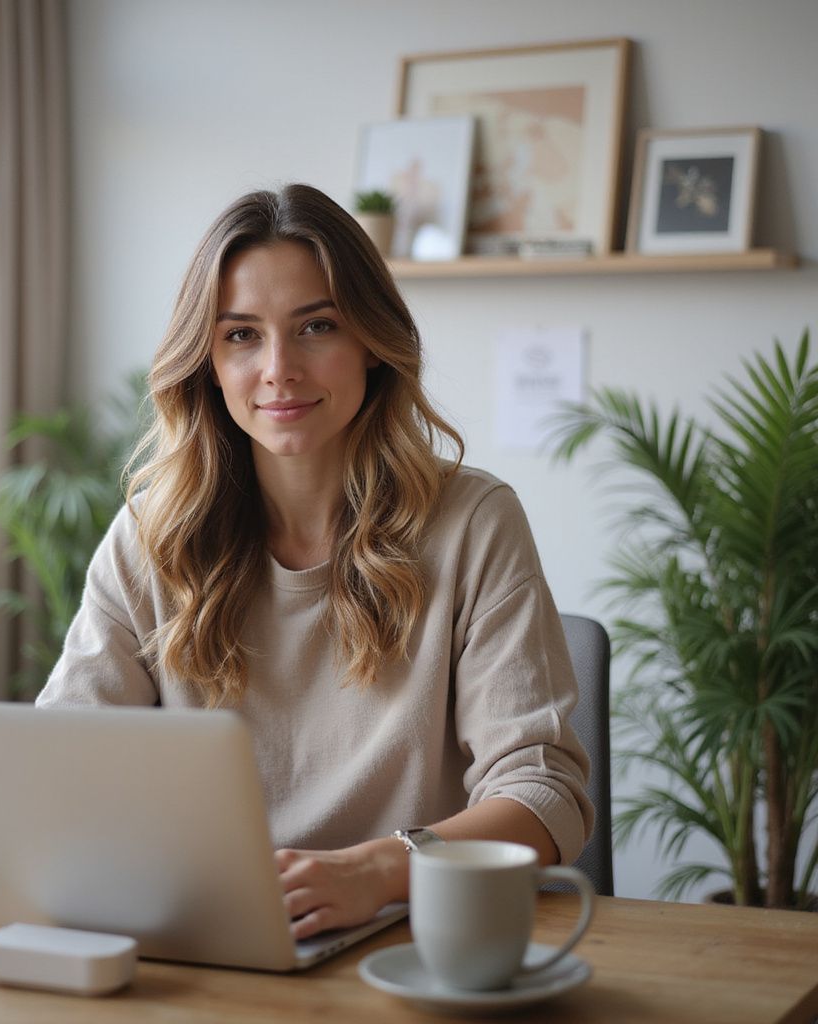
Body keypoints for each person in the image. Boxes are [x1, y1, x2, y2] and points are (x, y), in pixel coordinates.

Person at [36, 183, 593, 941]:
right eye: (240, 335)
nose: (279, 369)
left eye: (317, 326)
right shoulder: (151, 537)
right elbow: (58, 766)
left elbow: (544, 793)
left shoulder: (473, 523)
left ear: (372, 341)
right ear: (206, 361)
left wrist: (378, 870)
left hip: (413, 941)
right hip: (206, 937)